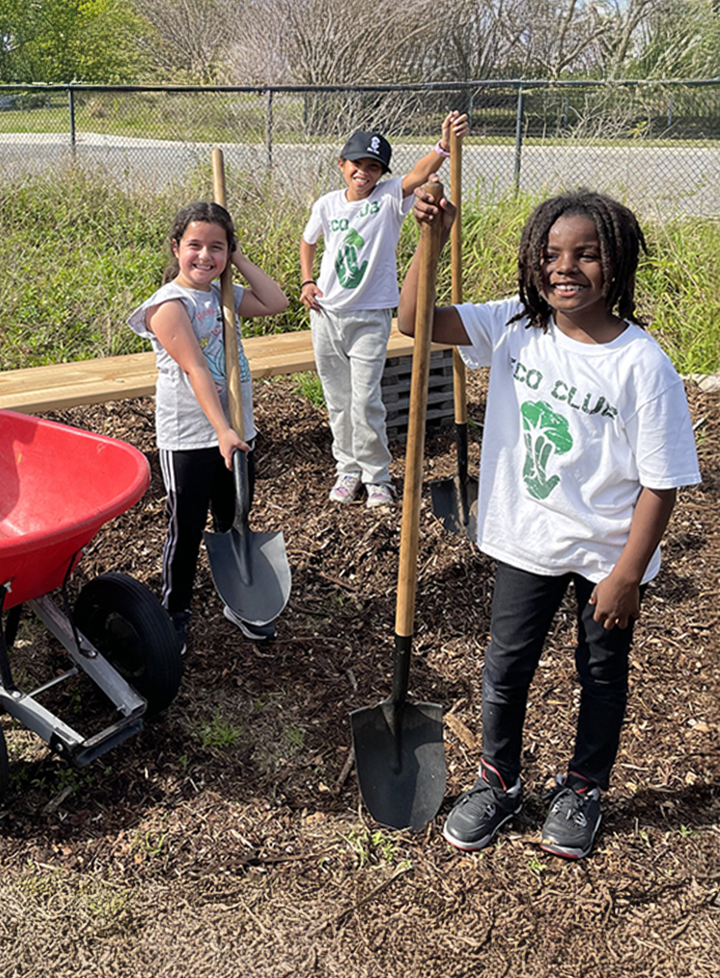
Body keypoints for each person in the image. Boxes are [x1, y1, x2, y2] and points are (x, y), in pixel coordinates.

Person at [398, 185, 701, 859]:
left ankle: (585, 786)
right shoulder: (514, 326)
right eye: (551, 253)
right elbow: (414, 321)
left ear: (617, 264)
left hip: (606, 554)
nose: (565, 268)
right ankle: (498, 780)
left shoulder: (642, 365)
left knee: (601, 673)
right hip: (526, 539)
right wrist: (431, 242)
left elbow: (662, 482)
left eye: (586, 255)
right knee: (506, 666)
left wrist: (627, 575)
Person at [129, 201, 288, 655]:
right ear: (176, 247)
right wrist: (222, 431)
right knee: (187, 529)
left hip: (235, 430)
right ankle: (174, 612)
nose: (205, 256)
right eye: (194, 245)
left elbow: (276, 301)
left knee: (234, 518)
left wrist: (237, 259)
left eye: (216, 247)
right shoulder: (167, 306)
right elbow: (196, 368)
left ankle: (239, 603)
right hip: (191, 436)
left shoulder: (225, 295)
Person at [300, 111, 469, 506]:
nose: (364, 173)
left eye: (373, 167)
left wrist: (443, 147)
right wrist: (307, 281)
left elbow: (418, 173)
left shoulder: (389, 197)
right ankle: (347, 469)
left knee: (365, 400)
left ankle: (377, 475)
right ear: (342, 165)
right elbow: (308, 241)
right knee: (338, 400)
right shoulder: (327, 205)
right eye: (357, 164)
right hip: (326, 315)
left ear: (381, 173)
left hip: (370, 317)